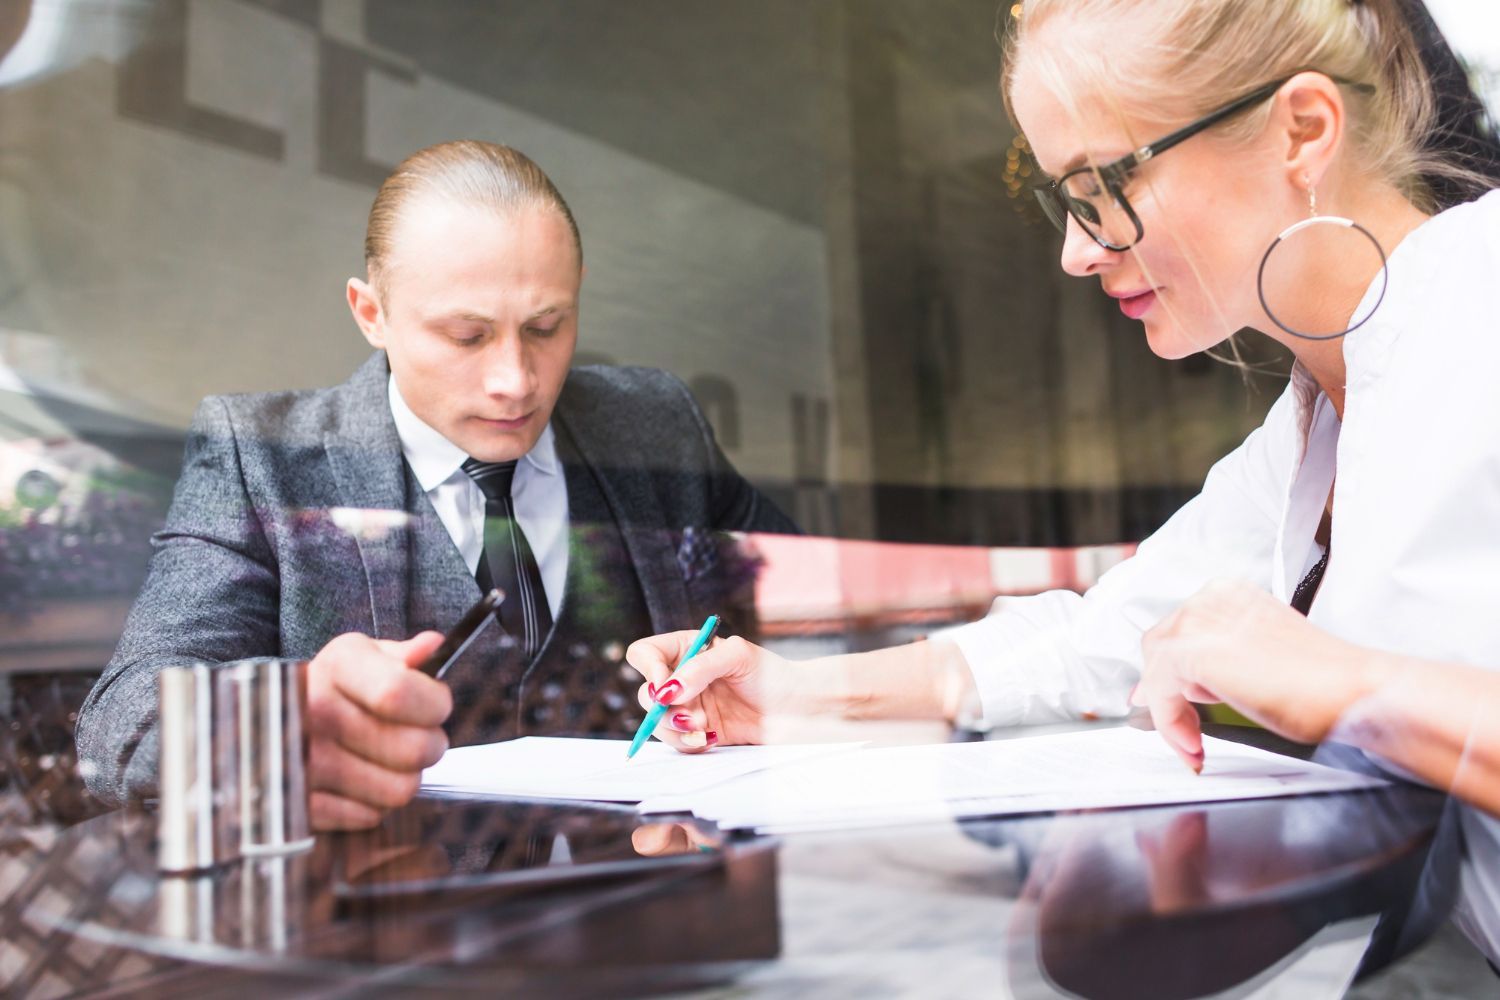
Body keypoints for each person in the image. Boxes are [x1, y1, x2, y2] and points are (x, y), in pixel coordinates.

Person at [625, 0, 1500, 810]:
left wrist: (1347, 686)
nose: (1078, 253)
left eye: (1105, 187)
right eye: (1065, 201)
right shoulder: (1311, 428)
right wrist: (792, 694)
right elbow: (1097, 639)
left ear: (1301, 132)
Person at [77, 140, 797, 829]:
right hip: (387, 928)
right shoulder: (260, 455)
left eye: (547, 326)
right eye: (466, 336)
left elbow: (806, 606)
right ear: (372, 314)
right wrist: (282, 714)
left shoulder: (653, 423)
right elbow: (122, 720)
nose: (516, 380)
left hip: (658, 911)